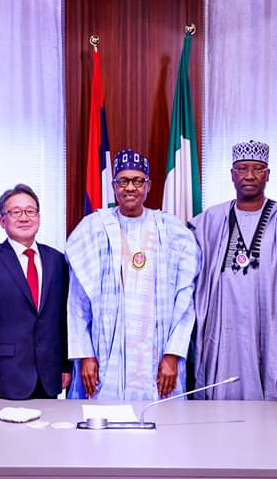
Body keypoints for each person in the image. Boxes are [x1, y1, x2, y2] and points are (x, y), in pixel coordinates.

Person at [190, 140, 277, 405]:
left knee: (271, 417)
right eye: (242, 169)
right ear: (232, 174)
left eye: (257, 169)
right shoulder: (211, 220)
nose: (249, 175)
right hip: (224, 338)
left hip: (272, 337)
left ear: (268, 174)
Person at [66, 149, 199, 400]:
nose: (130, 188)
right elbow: (77, 302)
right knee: (104, 419)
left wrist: (173, 354)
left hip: (158, 355)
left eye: (138, 181)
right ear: (113, 186)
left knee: (158, 419)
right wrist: (85, 355)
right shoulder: (93, 228)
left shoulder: (171, 230)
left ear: (148, 186)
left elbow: (185, 301)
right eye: (123, 181)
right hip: (105, 355)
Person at [0, 184, 70, 399]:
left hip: (50, 375)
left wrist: (64, 365)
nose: (24, 218)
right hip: (6, 376)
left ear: (38, 217)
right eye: (16, 212)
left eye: (30, 211)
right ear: (3, 221)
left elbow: (64, 318)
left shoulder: (57, 260)